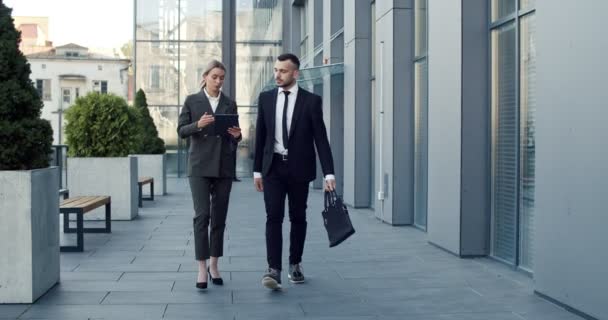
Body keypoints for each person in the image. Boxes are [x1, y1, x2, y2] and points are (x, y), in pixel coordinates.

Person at [253, 53, 336, 290]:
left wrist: (329, 173)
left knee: (298, 217)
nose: (277, 74)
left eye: (283, 71)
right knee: (273, 217)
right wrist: (257, 171)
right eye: (276, 70)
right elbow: (261, 136)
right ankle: (273, 269)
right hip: (273, 168)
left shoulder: (311, 101)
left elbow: (321, 138)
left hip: (300, 168)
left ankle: (295, 263)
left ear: (295, 73)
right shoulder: (266, 98)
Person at [177, 60, 241, 290]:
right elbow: (181, 131)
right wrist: (198, 124)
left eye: (222, 77)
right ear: (205, 76)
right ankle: (201, 267)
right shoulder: (192, 101)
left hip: (223, 167)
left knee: (219, 217)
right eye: (214, 76)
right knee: (202, 216)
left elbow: (236, 134)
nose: (218, 81)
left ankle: (215, 265)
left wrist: (237, 134)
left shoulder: (229, 103)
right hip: (200, 167)